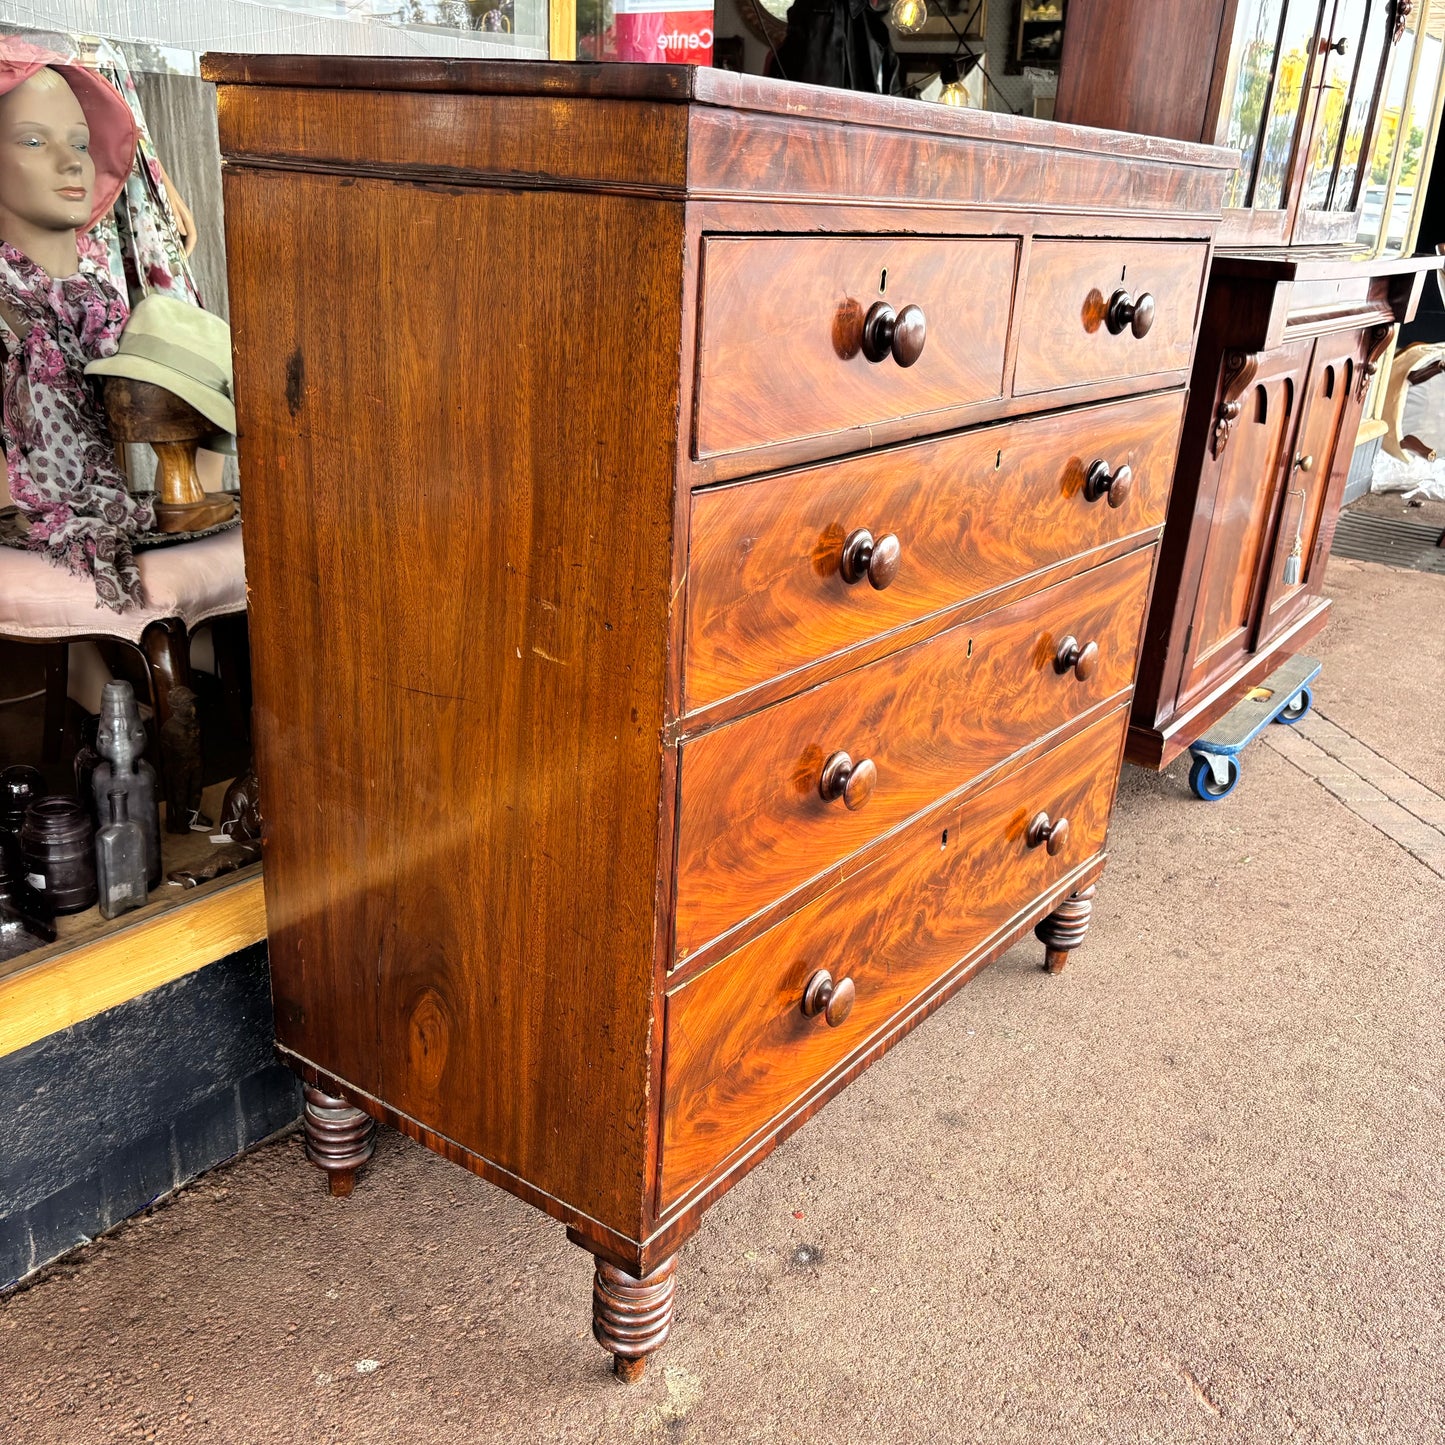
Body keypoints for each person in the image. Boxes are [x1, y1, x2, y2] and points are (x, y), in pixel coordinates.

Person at [0, 40, 148, 611]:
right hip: (33, 526)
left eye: (82, 145)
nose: (71, 162)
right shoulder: (9, 306)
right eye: (34, 140)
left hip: (122, 507)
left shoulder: (100, 299)